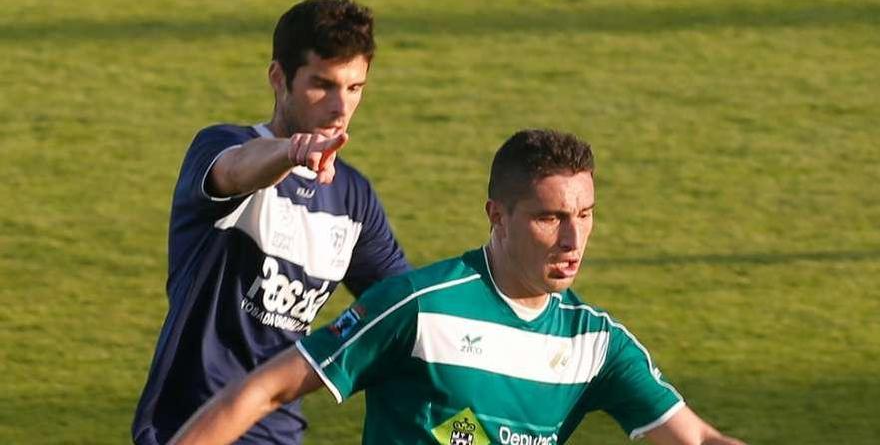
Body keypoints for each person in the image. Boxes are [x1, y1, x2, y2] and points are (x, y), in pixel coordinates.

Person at [170, 129, 746, 445]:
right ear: (498, 215)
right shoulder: (420, 309)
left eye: (586, 214)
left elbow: (694, 438)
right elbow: (264, 391)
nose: (574, 238)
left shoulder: (595, 346)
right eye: (550, 218)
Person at [132, 0, 410, 445]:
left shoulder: (353, 198)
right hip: (189, 427)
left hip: (278, 434)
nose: (341, 107)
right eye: (323, 84)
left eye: (355, 87)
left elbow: (404, 305)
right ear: (279, 79)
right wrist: (290, 152)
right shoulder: (220, 146)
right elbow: (237, 168)